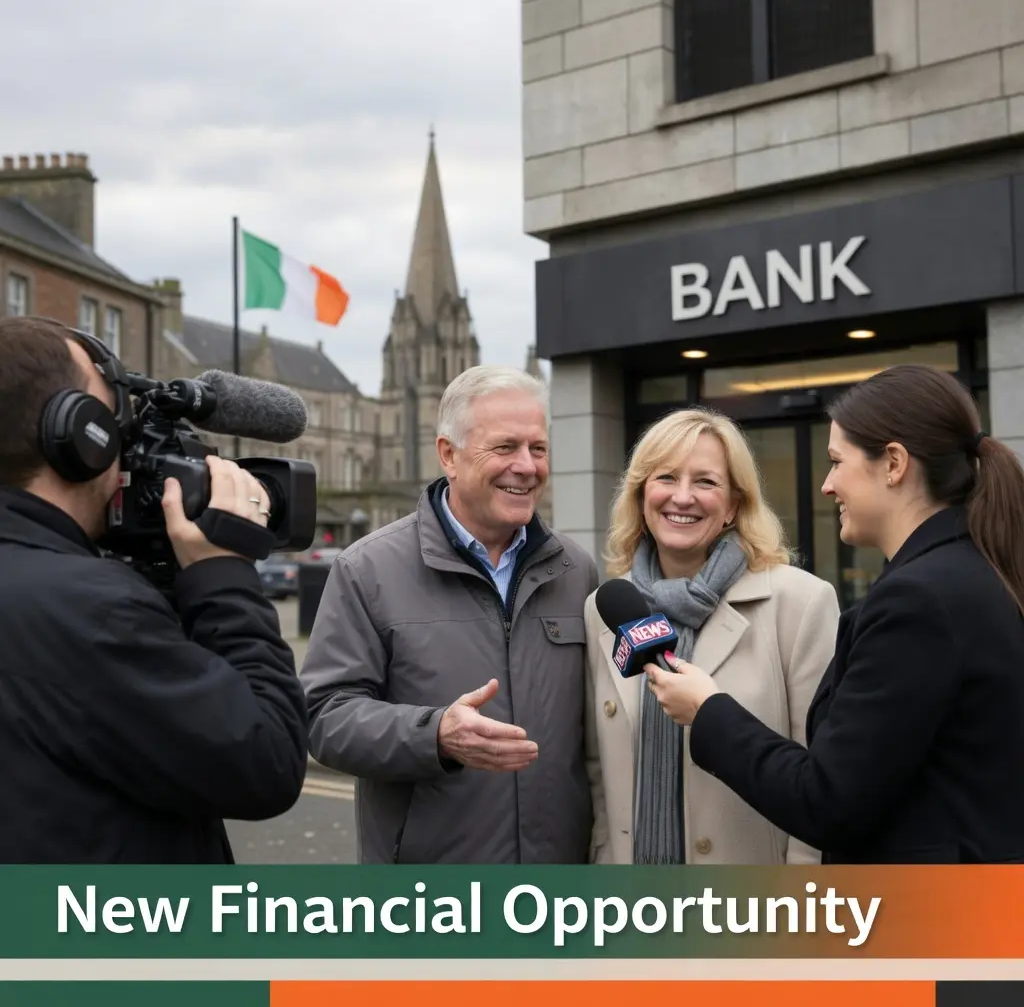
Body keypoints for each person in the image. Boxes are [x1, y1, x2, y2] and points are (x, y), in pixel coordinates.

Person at [650, 364, 1024, 864]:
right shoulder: (973, 571)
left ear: (893, 463)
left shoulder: (918, 601)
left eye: (836, 461)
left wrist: (708, 710)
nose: (827, 486)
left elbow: (826, 800)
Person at [0, 316, 308, 863]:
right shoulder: (91, 610)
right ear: (77, 434)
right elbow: (266, 760)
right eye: (113, 414)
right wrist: (224, 575)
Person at [302, 365, 599, 864]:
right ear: (449, 455)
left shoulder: (577, 570)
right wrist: (435, 734)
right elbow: (323, 718)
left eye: (538, 448)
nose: (526, 466)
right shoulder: (367, 568)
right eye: (505, 448)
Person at [583, 407, 839, 865]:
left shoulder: (800, 603)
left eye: (705, 482)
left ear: (734, 506)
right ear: (641, 495)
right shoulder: (604, 608)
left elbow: (824, 779)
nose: (683, 497)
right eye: (666, 478)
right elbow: (599, 773)